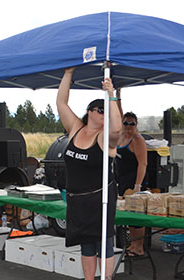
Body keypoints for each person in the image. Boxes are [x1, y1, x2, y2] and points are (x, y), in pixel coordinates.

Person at [57, 67, 122, 280]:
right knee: (86, 243)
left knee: (103, 241)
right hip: (78, 199)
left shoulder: (105, 138)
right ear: (90, 112)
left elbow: (117, 131)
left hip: (100, 198)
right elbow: (61, 104)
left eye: (106, 110)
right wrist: (68, 74)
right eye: (99, 109)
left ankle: (106, 278)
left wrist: (111, 96)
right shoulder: (76, 128)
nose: (103, 113)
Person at [114, 89, 148, 257]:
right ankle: (132, 245)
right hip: (122, 180)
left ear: (136, 125)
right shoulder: (121, 136)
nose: (128, 126)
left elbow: (143, 163)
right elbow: (120, 114)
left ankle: (139, 247)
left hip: (135, 180)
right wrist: (117, 96)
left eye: (132, 124)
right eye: (126, 123)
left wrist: (137, 186)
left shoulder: (138, 140)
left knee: (136, 217)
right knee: (127, 214)